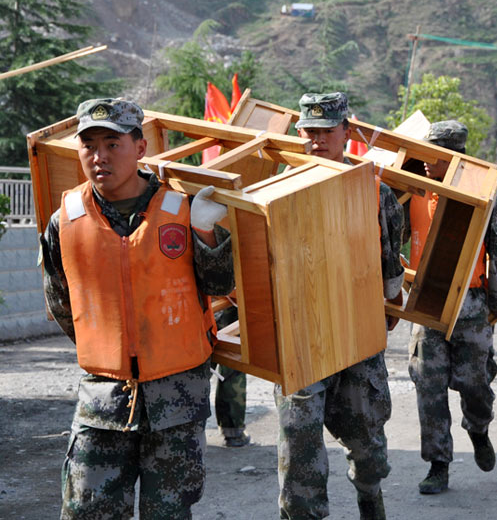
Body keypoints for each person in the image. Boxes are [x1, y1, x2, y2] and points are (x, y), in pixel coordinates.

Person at [40, 98, 235, 520]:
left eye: (112, 144)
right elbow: (61, 303)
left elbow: (222, 287)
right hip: (102, 399)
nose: (99, 157)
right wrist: (108, 344)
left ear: (140, 148)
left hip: (177, 399)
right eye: (89, 145)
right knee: (87, 511)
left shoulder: (183, 210)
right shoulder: (65, 221)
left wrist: (206, 233)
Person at [277, 92, 404, 520]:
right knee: (299, 444)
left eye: (326, 131)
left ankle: (370, 495)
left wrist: (388, 306)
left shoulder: (375, 191)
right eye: (309, 131)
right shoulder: (278, 189)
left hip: (357, 332)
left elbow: (391, 262)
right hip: (301, 336)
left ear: (346, 132)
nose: (317, 140)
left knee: (367, 440)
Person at [407, 120, 497, 496]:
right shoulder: (413, 190)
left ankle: (478, 429)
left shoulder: (482, 195)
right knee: (428, 385)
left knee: (475, 383)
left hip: (471, 304)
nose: (426, 161)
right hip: (427, 305)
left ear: (455, 158)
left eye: (434, 155)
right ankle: (438, 465)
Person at [214, 303, 250, 447]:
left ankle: (186, 431)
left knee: (196, 370)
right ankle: (233, 433)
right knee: (233, 366)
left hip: (202, 304)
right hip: (231, 303)